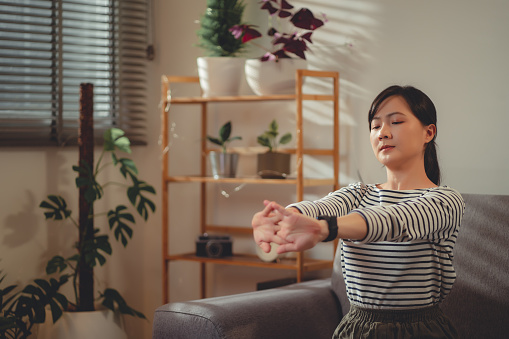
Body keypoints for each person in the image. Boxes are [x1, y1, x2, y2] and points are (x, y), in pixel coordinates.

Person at [251, 85, 465, 338]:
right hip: (356, 328)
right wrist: (281, 216)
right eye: (375, 126)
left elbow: (393, 220)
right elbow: (319, 207)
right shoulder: (357, 194)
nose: (383, 133)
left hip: (419, 329)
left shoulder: (445, 200)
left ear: (428, 132)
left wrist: (325, 228)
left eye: (395, 122)